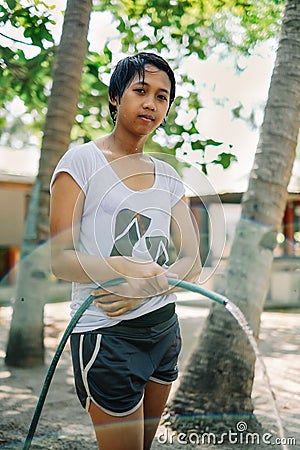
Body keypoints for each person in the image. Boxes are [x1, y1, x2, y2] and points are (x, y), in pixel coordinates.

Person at [49, 52, 201, 450]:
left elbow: (192, 260)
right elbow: (59, 259)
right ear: (116, 97)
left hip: (164, 328)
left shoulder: (167, 176)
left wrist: (144, 287)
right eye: (140, 90)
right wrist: (119, 267)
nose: (151, 103)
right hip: (106, 333)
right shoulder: (81, 162)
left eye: (162, 96)